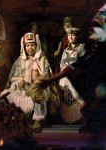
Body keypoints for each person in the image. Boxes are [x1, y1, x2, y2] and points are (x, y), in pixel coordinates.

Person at [37, 3, 106, 145]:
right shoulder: (96, 49)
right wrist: (51, 80)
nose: (91, 33)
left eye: (95, 29)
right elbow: (76, 65)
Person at [0, 32, 59, 132]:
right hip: (24, 87)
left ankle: (37, 120)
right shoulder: (20, 60)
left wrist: (38, 83)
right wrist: (19, 82)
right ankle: (17, 119)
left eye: (32, 45)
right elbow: (14, 76)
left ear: (36, 46)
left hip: (39, 87)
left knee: (38, 94)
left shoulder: (42, 59)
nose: (30, 48)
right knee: (5, 94)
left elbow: (47, 75)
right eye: (27, 45)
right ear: (24, 46)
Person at [58, 27, 86, 124]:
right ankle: (66, 118)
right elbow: (61, 63)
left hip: (76, 76)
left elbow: (84, 63)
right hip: (65, 77)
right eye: (69, 35)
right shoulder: (66, 50)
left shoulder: (81, 47)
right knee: (64, 88)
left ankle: (80, 115)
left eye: (73, 35)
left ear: (77, 36)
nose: (70, 37)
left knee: (75, 91)